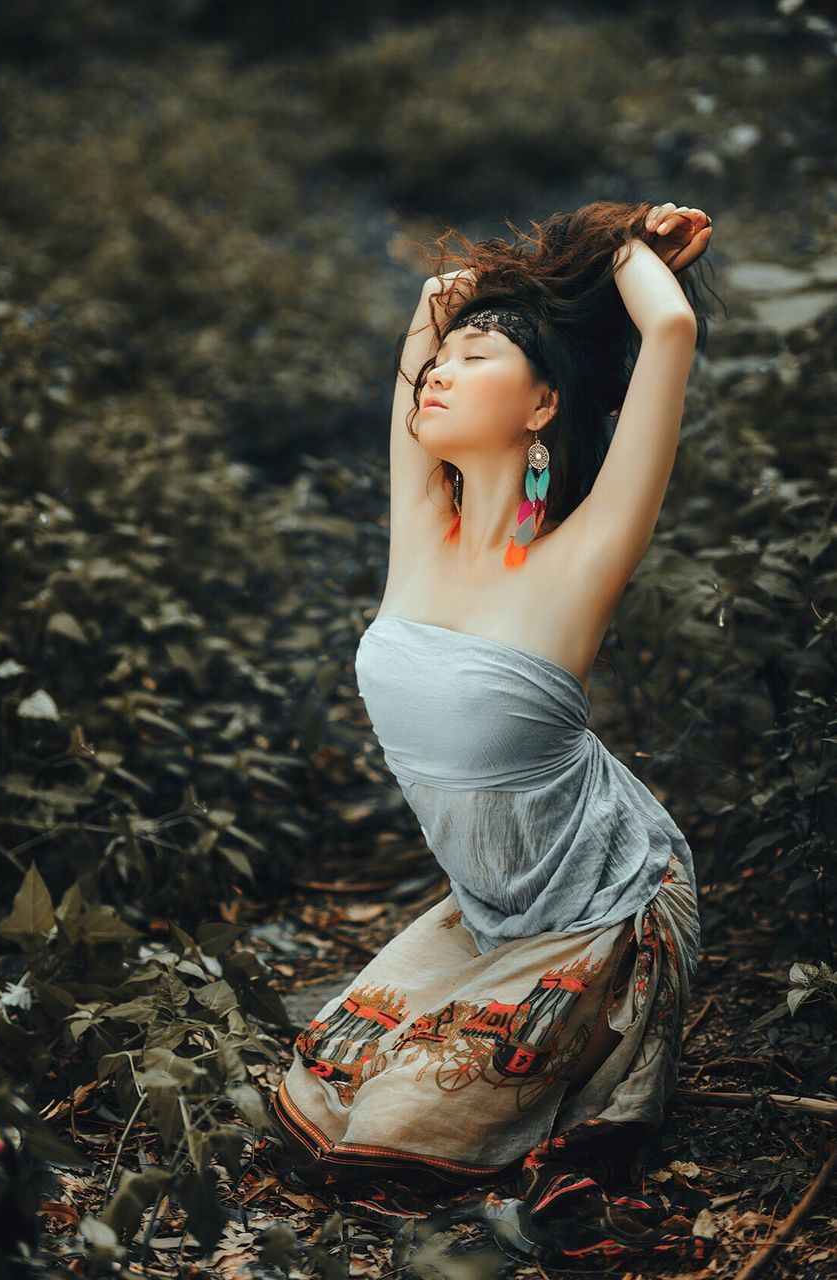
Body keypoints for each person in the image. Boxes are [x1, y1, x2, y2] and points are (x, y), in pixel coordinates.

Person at [263, 201, 718, 1267]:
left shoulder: (581, 552)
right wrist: (539, 271)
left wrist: (624, 246)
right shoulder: (420, 530)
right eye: (440, 365)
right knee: (312, 1101)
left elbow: (668, 333)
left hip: (607, 904)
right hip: (488, 910)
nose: (438, 369)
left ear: (542, 403)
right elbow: (431, 301)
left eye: (478, 358)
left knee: (394, 1140)